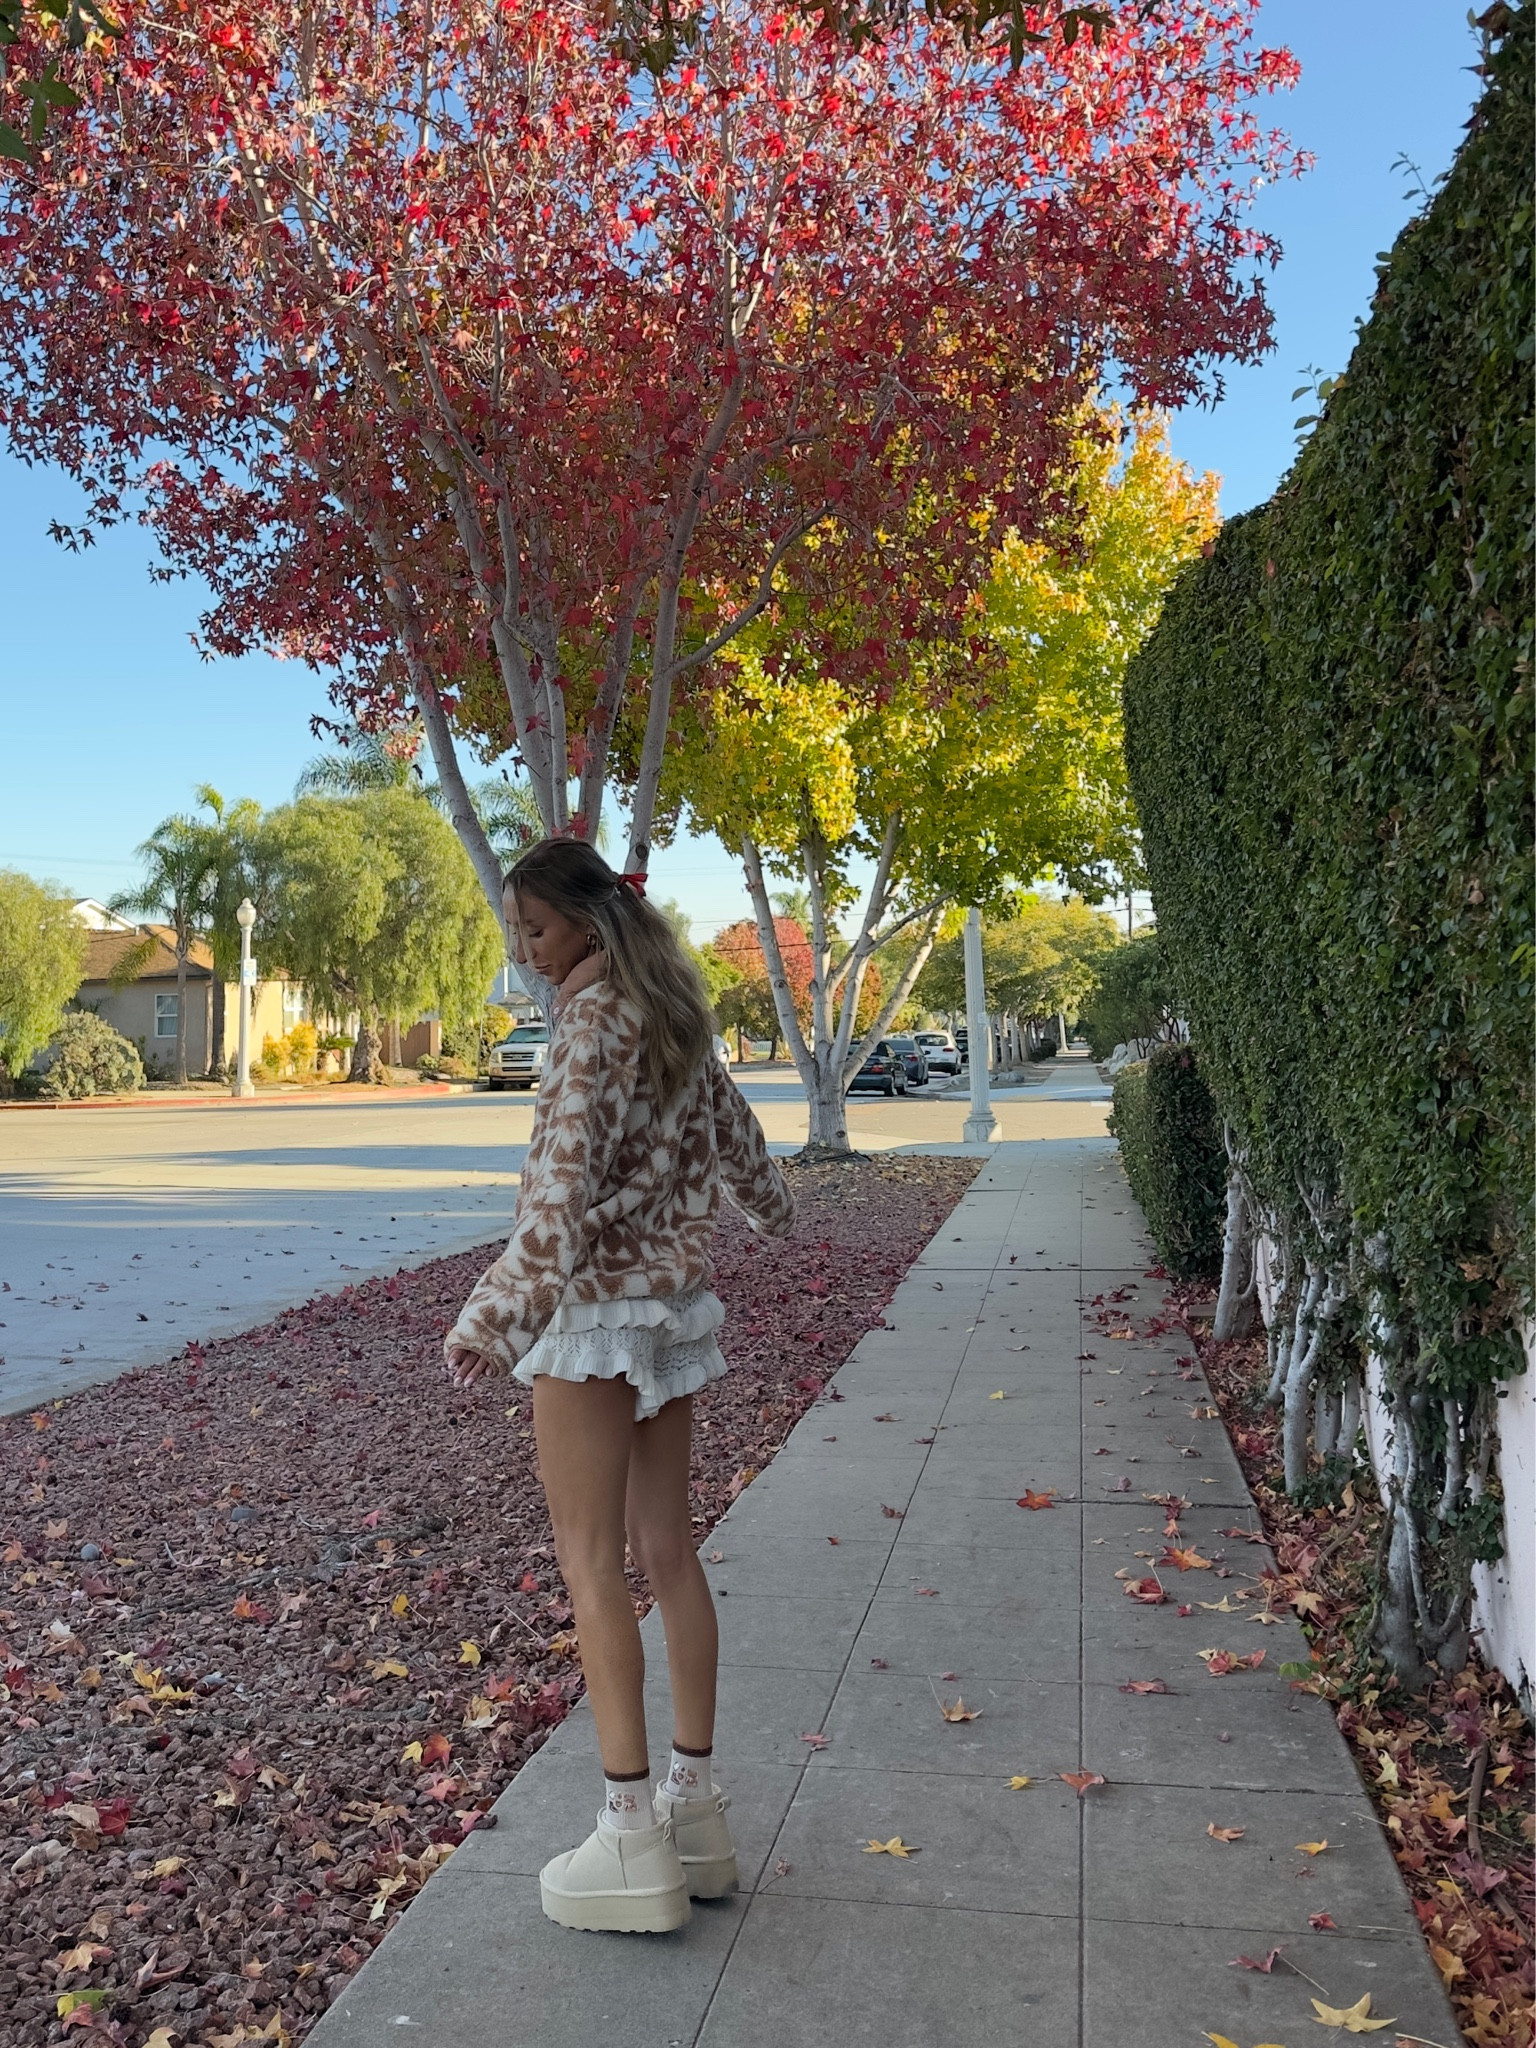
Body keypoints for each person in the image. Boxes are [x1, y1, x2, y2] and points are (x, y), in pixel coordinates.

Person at [443, 839, 795, 1934]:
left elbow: (558, 1195)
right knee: (670, 1554)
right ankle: (697, 1814)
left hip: (592, 1315)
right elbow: (742, 1148)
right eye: (519, 932)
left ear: (588, 922)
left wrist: (494, 1318)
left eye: (537, 929)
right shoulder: (673, 1015)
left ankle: (630, 1834)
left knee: (592, 1563)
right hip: (670, 1308)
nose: (527, 951)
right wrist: (776, 1216)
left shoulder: (590, 1024)